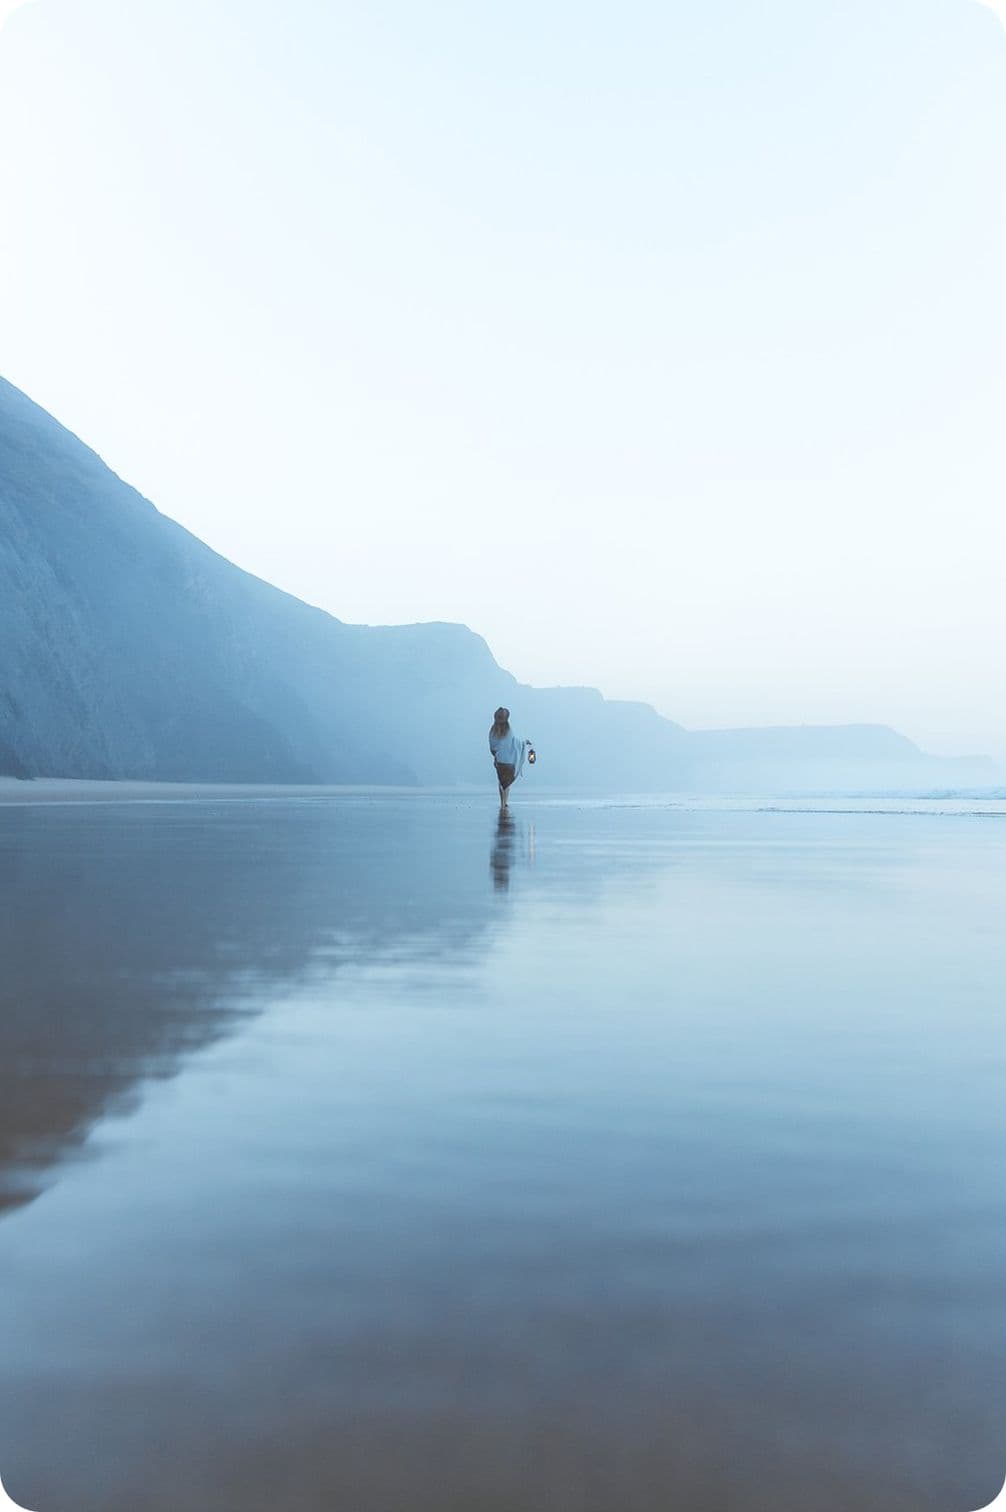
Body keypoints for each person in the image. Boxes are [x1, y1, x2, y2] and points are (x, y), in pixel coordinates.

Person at [488, 707, 533, 809]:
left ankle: (502, 803)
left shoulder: (493, 729)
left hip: (499, 760)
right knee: (507, 784)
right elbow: (514, 743)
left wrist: (496, 754)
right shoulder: (508, 729)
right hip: (509, 761)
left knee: (501, 781)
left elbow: (492, 745)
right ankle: (505, 803)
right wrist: (524, 742)